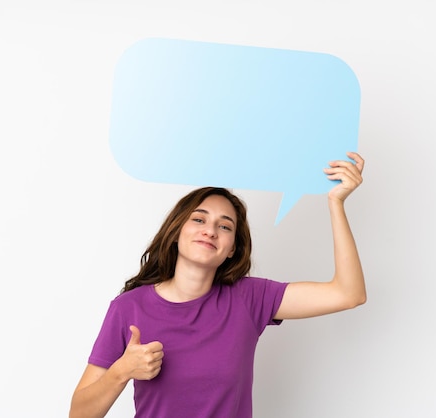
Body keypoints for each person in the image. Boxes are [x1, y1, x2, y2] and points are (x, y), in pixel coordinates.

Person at [69, 152, 366, 418]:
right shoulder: (129, 308)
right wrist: (121, 372)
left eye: (225, 226)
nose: (210, 231)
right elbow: (79, 415)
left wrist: (336, 203)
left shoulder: (249, 298)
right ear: (176, 232)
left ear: (232, 248)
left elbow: (348, 293)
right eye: (199, 220)